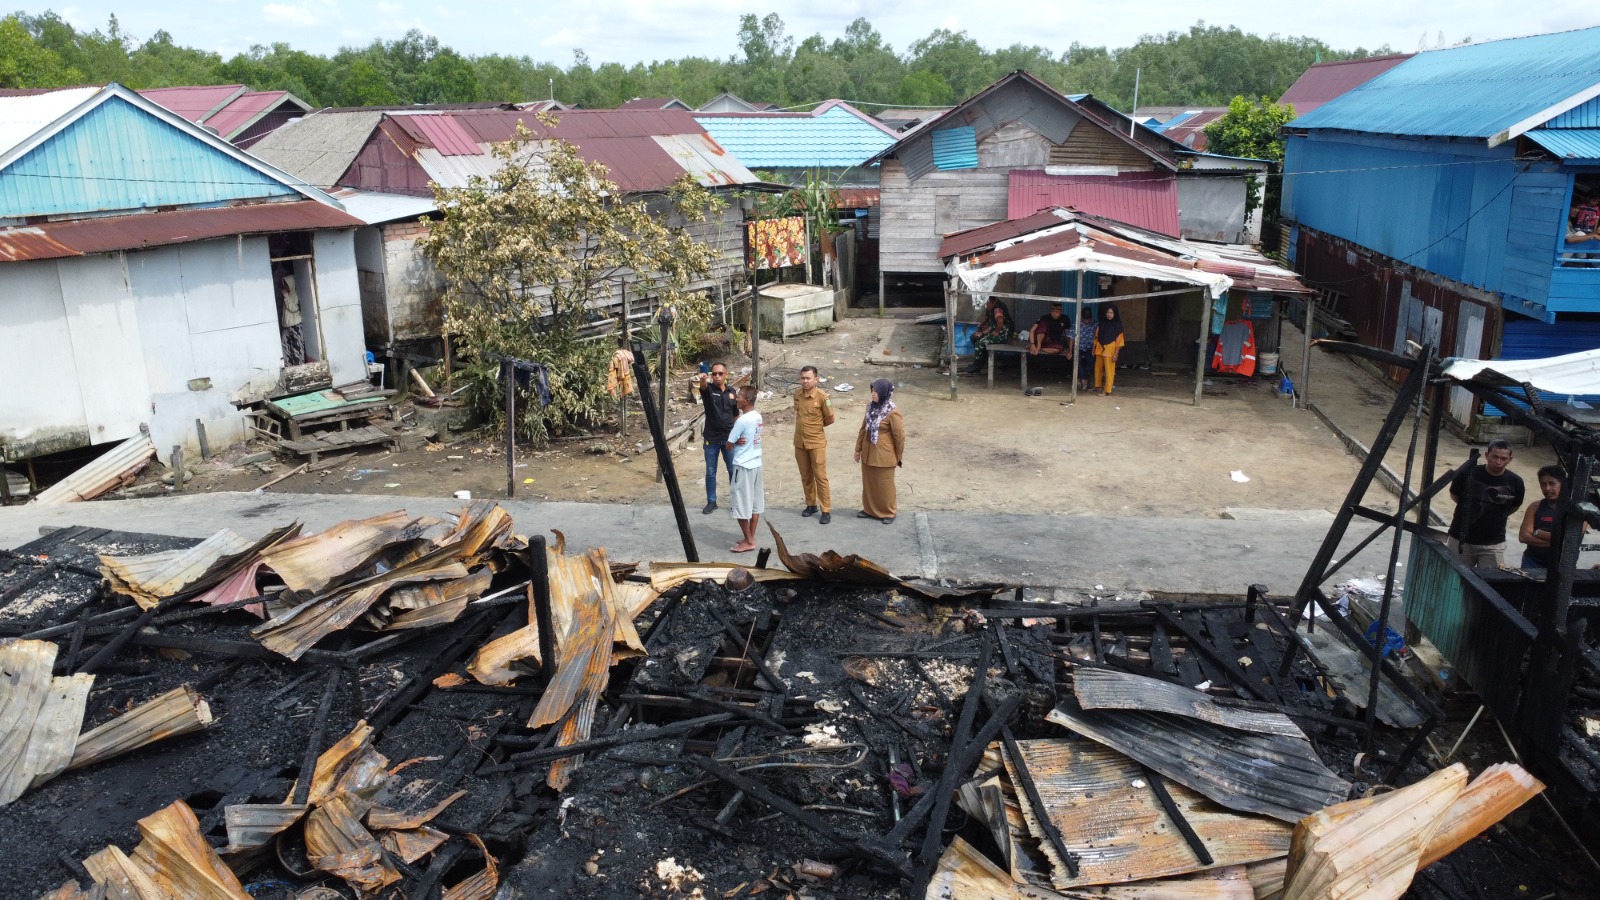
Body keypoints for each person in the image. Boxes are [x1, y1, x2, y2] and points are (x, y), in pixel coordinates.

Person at [1447, 439, 1525, 568]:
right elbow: (1455, 495)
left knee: (1490, 582)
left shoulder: (1515, 482)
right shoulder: (1467, 473)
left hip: (1493, 544)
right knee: (1454, 579)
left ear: (1510, 459)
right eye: (1494, 457)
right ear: (1487, 455)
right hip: (1461, 540)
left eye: (1503, 458)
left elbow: (1514, 506)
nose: (1498, 462)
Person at [854, 378, 906, 524]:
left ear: (884, 393)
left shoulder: (892, 412)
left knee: (885, 484)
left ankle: (888, 512)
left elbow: (899, 437)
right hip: (868, 451)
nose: (873, 394)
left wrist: (898, 456)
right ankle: (869, 509)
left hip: (884, 454)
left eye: (876, 391)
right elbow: (863, 429)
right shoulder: (870, 407)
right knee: (869, 482)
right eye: (872, 390)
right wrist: (858, 449)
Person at [1518, 465, 1588, 569]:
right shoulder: (1535, 506)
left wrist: (1539, 533)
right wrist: (1557, 542)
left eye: (1552, 484)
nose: (1547, 488)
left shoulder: (1577, 509)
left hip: (1562, 565)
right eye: (1543, 484)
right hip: (1532, 562)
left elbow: (1570, 538)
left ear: (1563, 484)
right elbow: (1523, 537)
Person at [724, 385, 765, 553]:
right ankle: (751, 537)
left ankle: (749, 541)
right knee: (755, 504)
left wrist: (733, 442)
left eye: (739, 396)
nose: (736, 399)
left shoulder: (741, 421)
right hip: (756, 464)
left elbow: (728, 445)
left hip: (743, 465)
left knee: (740, 504)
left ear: (746, 401)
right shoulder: (757, 417)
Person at [792, 365, 835, 524]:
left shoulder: (823, 397)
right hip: (800, 442)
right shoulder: (797, 394)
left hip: (816, 442)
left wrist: (815, 427)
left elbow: (830, 418)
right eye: (802, 378)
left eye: (808, 378)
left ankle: (825, 510)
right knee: (806, 475)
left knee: (820, 477)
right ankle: (811, 504)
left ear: (816, 379)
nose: (805, 381)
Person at [696, 362, 738, 514]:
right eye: (714, 374)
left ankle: (735, 501)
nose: (717, 376)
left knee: (733, 470)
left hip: (729, 439)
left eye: (720, 373)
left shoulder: (732, 392)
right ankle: (711, 502)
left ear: (726, 374)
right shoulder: (708, 390)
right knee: (710, 472)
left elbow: (735, 415)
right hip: (711, 439)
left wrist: (737, 434)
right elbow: (703, 387)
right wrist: (702, 379)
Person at [965, 299, 1015, 374]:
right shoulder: (991, 309)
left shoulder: (997, 310)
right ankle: (982, 361)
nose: (986, 305)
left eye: (988, 303)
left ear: (994, 303)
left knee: (980, 343)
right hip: (994, 331)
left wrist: (996, 332)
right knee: (975, 337)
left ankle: (977, 365)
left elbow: (1000, 322)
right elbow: (990, 323)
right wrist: (982, 329)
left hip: (1002, 334)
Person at [1093, 303, 1125, 396]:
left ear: (1115, 314)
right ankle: (1097, 386)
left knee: (1109, 370)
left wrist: (1116, 354)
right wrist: (1094, 347)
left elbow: (1120, 341)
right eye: (1107, 312)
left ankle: (1107, 390)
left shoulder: (1117, 325)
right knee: (1097, 368)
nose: (1109, 314)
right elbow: (1096, 335)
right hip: (1099, 347)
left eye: (1111, 313)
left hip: (1110, 349)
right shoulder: (1102, 322)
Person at [1071, 306, 1097, 392]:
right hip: (1079, 347)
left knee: (1092, 360)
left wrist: (1094, 347)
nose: (1087, 321)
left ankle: (1083, 377)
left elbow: (1097, 337)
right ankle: (1083, 380)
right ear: (1081, 317)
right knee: (1077, 361)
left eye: (1088, 319)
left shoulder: (1095, 324)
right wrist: (1070, 351)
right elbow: (1071, 338)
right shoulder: (1076, 324)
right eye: (1085, 319)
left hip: (1090, 347)